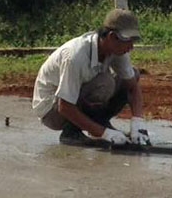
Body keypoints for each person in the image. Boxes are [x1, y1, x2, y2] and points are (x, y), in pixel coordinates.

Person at [32, 8, 151, 146]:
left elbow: (132, 87)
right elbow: (64, 106)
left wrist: (138, 123)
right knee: (105, 83)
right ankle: (71, 132)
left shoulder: (117, 51)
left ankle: (100, 123)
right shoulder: (75, 56)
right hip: (52, 111)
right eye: (128, 41)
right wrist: (104, 134)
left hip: (73, 100)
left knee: (132, 74)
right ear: (112, 37)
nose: (131, 47)